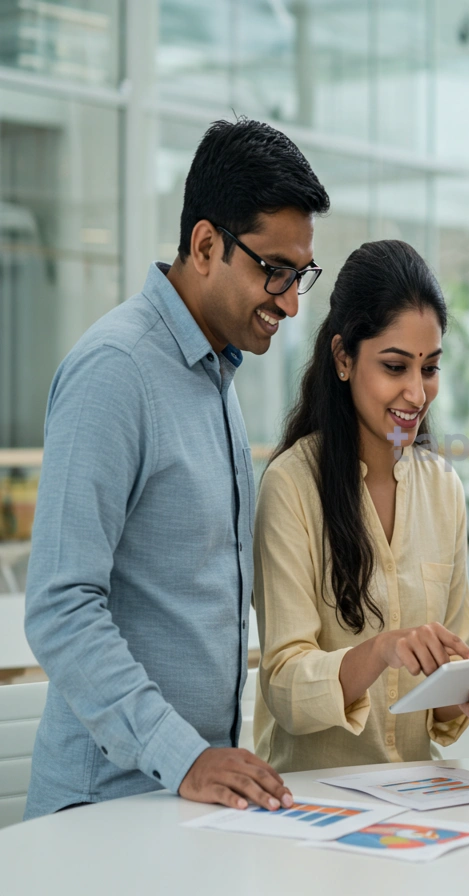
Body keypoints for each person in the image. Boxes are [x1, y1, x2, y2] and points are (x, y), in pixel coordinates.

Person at [23, 118, 331, 818]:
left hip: (184, 804)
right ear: (204, 245)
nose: (289, 300)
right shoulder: (117, 372)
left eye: (300, 274)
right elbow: (60, 607)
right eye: (274, 271)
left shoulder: (216, 381)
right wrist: (183, 753)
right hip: (105, 814)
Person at [253, 239, 469, 773]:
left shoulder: (444, 490)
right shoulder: (291, 486)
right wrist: (380, 652)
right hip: (313, 807)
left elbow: (443, 698)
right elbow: (284, 686)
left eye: (430, 369)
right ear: (343, 359)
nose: (417, 394)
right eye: (395, 367)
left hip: (414, 805)